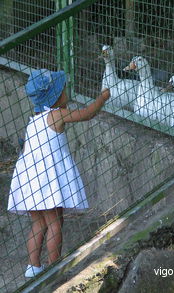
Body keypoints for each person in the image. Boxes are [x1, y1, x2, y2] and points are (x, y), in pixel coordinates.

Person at [7, 69, 110, 278]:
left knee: (38, 223)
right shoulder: (56, 114)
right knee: (55, 222)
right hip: (47, 180)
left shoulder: (33, 120)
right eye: (63, 90)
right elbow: (88, 114)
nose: (66, 93)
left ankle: (33, 267)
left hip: (30, 178)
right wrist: (103, 97)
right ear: (54, 96)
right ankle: (54, 267)